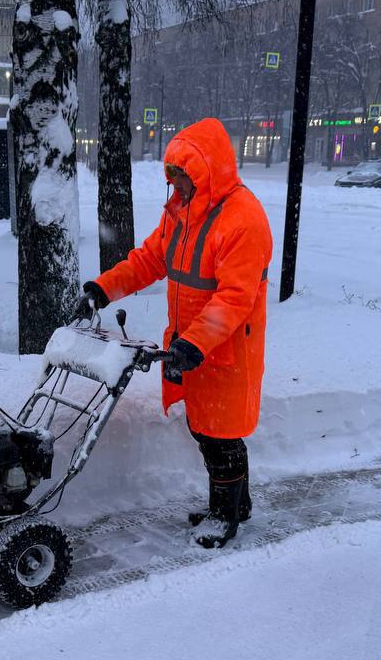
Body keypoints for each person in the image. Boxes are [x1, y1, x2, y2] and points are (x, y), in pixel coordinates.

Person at [76, 117, 272, 548]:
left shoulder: (243, 220)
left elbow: (234, 298)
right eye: (173, 177)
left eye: (184, 176)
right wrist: (103, 290)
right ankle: (236, 504)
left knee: (221, 435)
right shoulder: (182, 214)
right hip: (190, 345)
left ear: (207, 171)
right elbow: (149, 260)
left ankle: (225, 515)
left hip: (225, 348)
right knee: (205, 428)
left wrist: (195, 342)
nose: (176, 186)